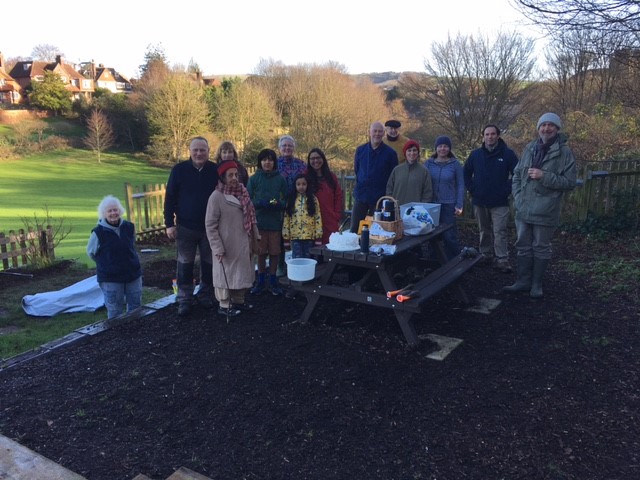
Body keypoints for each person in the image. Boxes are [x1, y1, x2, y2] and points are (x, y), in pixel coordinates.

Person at [503, 113, 577, 298]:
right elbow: (518, 174)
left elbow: (569, 182)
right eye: (543, 125)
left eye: (551, 125)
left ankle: (536, 285)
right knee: (522, 245)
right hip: (524, 208)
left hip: (546, 210)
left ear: (557, 129)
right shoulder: (530, 147)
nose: (546, 128)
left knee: (541, 247)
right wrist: (517, 196)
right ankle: (522, 281)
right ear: (538, 128)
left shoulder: (564, 152)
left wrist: (544, 176)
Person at [163, 136, 218, 316]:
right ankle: (184, 299)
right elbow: (170, 197)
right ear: (190, 151)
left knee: (208, 264)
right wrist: (169, 224)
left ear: (208, 152)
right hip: (185, 226)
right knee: (185, 264)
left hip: (209, 228)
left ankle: (204, 294)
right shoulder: (179, 170)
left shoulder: (214, 171)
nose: (199, 153)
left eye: (203, 150)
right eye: (195, 150)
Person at [205, 160, 260, 317]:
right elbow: (210, 225)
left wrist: (256, 236)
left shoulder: (243, 193)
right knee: (226, 275)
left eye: (236, 174)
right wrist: (217, 247)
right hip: (227, 245)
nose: (234, 178)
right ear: (222, 177)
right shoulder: (216, 197)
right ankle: (224, 305)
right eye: (230, 175)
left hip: (244, 242)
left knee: (241, 273)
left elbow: (252, 216)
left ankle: (238, 301)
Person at [464, 125, 519, 272]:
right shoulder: (476, 155)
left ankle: (502, 258)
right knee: (484, 229)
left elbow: (517, 174)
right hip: (480, 200)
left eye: (493, 134)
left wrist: (506, 190)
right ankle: (485, 254)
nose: (490, 137)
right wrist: (472, 189)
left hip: (500, 201)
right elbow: (466, 173)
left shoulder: (508, 154)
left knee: (500, 230)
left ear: (498, 135)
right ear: (483, 136)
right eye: (487, 134)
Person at [87, 195, 142, 319]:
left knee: (136, 307)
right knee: (115, 310)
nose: (113, 213)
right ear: (104, 213)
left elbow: (131, 245)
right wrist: (107, 263)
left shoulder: (129, 227)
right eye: (109, 211)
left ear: (120, 211)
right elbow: (91, 252)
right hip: (110, 278)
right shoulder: (98, 233)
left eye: (115, 209)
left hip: (132, 274)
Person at [247, 148, 288, 296]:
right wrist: (259, 203)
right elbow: (248, 198)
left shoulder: (280, 179)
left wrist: (279, 204)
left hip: (275, 222)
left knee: (274, 252)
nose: (267, 162)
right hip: (260, 222)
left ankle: (273, 280)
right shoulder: (254, 179)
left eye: (270, 160)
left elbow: (287, 198)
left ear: (274, 162)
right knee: (261, 252)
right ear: (260, 162)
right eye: (264, 160)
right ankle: (261, 280)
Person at [350, 121, 398, 232]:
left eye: (380, 131)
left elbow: (392, 177)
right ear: (369, 132)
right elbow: (357, 170)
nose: (377, 134)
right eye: (375, 131)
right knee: (355, 229)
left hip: (379, 198)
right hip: (361, 195)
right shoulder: (360, 150)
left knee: (376, 230)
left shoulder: (390, 153)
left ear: (383, 133)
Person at [425, 136, 464, 260]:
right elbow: (423, 182)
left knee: (449, 235)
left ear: (449, 148)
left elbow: (461, 185)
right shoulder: (428, 163)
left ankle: (454, 261)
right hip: (432, 205)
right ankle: (433, 262)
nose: (443, 149)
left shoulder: (455, 164)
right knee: (431, 235)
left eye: (445, 146)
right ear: (436, 148)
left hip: (449, 204)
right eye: (440, 146)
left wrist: (459, 204)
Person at [306, 148, 344, 245]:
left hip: (329, 218)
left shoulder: (331, 177)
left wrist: (337, 215)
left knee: (329, 247)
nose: (315, 161)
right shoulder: (305, 176)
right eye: (312, 159)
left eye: (318, 158)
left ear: (323, 159)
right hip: (311, 219)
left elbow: (338, 196)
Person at [282, 174, 323, 259]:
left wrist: (318, 237)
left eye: (304, 184)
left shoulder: (313, 199)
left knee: (308, 259)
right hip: (295, 237)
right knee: (297, 258)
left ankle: (307, 272)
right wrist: (286, 238)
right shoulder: (291, 200)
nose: (301, 187)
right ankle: (297, 272)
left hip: (309, 237)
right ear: (295, 185)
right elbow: (286, 218)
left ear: (307, 185)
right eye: (298, 184)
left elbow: (318, 218)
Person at [385, 139, 433, 206]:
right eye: (409, 150)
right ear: (405, 153)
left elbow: (427, 193)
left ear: (418, 152)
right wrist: (391, 203)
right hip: (397, 209)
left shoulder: (424, 171)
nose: (412, 153)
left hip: (415, 211)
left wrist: (422, 207)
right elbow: (389, 188)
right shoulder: (397, 170)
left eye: (414, 150)